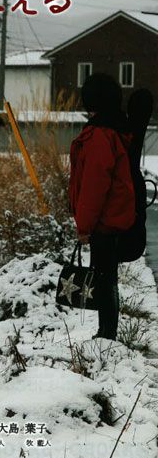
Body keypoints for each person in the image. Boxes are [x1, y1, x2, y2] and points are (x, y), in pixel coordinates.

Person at [69, 73, 136, 340]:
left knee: (104, 278)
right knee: (107, 277)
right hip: (114, 217)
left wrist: (84, 226)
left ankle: (107, 335)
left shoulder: (99, 135)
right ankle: (107, 333)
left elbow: (94, 185)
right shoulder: (115, 129)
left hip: (104, 222)